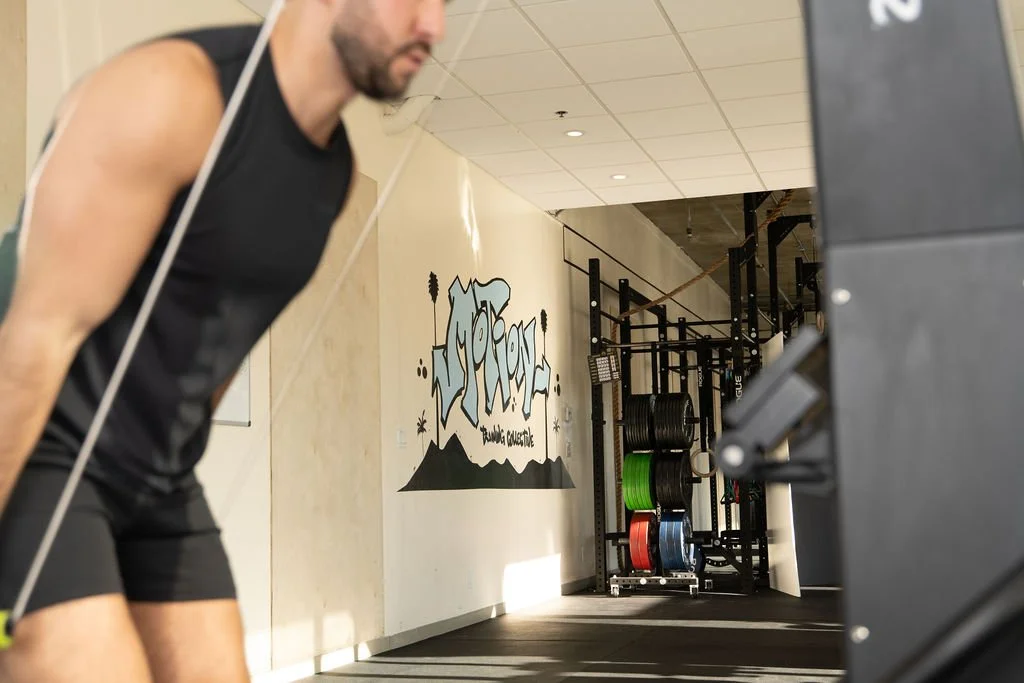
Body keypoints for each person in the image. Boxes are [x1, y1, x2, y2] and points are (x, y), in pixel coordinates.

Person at [0, 0, 448, 681]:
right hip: (40, 449)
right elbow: (29, 343)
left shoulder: (331, 178)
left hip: (158, 479)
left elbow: (208, 361)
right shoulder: (170, 95)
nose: (433, 25)